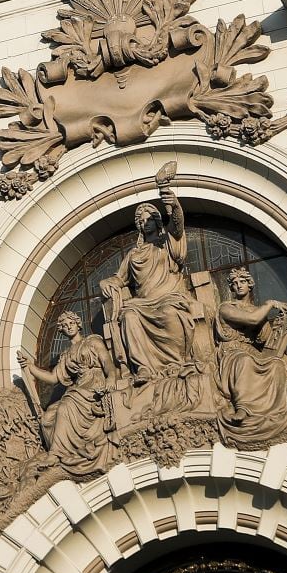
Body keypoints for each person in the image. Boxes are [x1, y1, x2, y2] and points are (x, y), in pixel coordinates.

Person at [99, 166, 207, 411]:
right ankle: (144, 369)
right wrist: (106, 283)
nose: (144, 221)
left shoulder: (166, 245)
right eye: (141, 219)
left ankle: (178, 363)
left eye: (149, 217)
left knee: (170, 313)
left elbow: (177, 228)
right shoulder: (134, 254)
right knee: (129, 315)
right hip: (143, 303)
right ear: (138, 226)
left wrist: (174, 206)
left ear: (157, 221)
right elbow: (119, 278)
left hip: (169, 297)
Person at [16, 311, 115, 476]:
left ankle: (55, 455)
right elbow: (53, 378)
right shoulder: (66, 355)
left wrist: (111, 378)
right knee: (48, 417)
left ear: (78, 324)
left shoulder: (93, 341)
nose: (69, 327)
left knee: (66, 405)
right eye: (65, 326)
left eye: (71, 323)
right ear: (62, 331)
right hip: (80, 386)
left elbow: (107, 362)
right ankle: (62, 450)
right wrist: (30, 366)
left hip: (94, 383)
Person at [212, 264, 287, 444]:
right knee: (245, 362)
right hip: (233, 352)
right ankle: (243, 408)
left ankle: (276, 411)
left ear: (250, 284)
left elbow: (270, 344)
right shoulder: (226, 308)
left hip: (255, 353)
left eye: (243, 281)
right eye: (235, 283)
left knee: (277, 364)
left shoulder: (257, 310)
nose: (239, 285)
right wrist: (269, 304)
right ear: (231, 288)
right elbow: (252, 320)